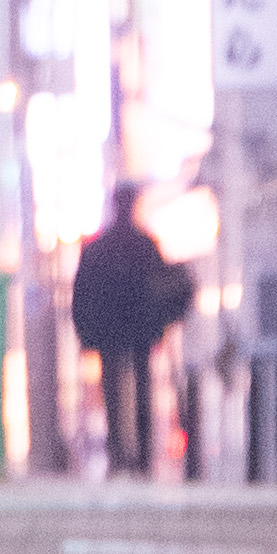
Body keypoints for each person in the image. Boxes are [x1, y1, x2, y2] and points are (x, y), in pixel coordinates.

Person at [69, 183, 192, 481]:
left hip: (110, 330)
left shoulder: (98, 247)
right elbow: (164, 286)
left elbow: (81, 293)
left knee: (113, 389)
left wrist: (85, 332)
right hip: (140, 327)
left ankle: (119, 452)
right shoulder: (145, 245)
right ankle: (141, 454)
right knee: (141, 387)